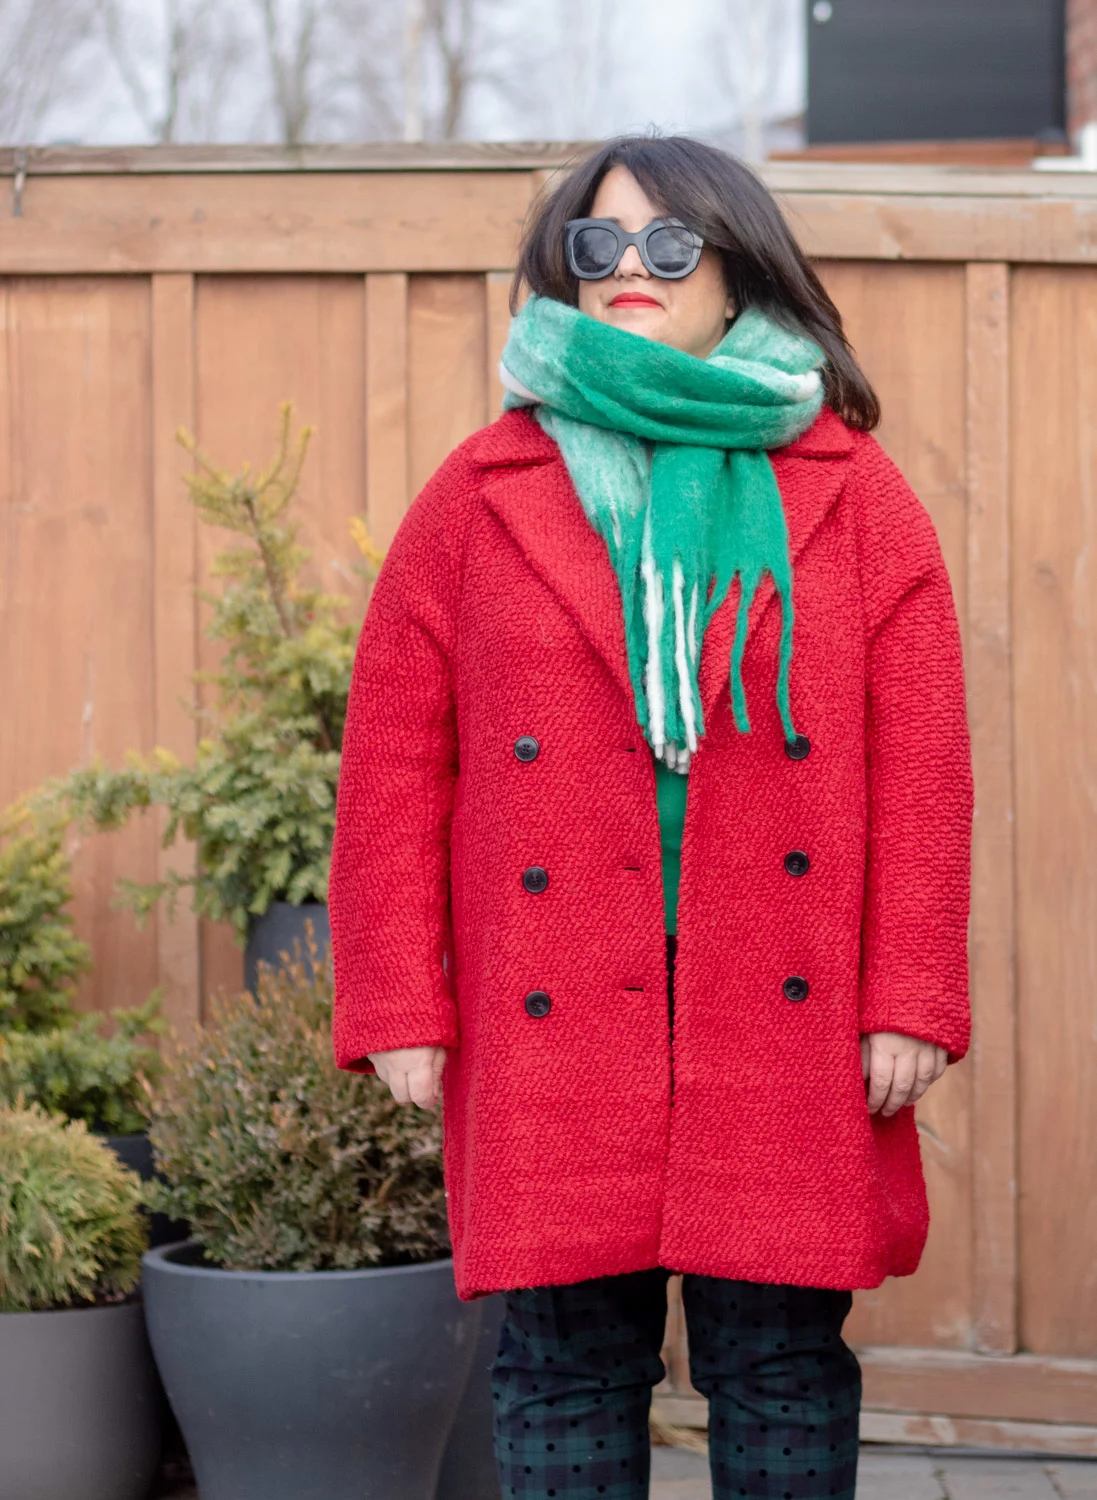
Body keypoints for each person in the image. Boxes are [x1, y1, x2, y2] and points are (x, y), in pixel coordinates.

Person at [328, 133, 973, 1500]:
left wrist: (911, 991)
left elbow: (922, 766)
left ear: (737, 267)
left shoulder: (859, 498)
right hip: (553, 1006)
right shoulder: (477, 494)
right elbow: (392, 764)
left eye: (670, 244)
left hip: (781, 1007)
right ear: (560, 271)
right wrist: (396, 1002)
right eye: (598, 244)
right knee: (562, 1365)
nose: (631, 269)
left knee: (782, 1365)